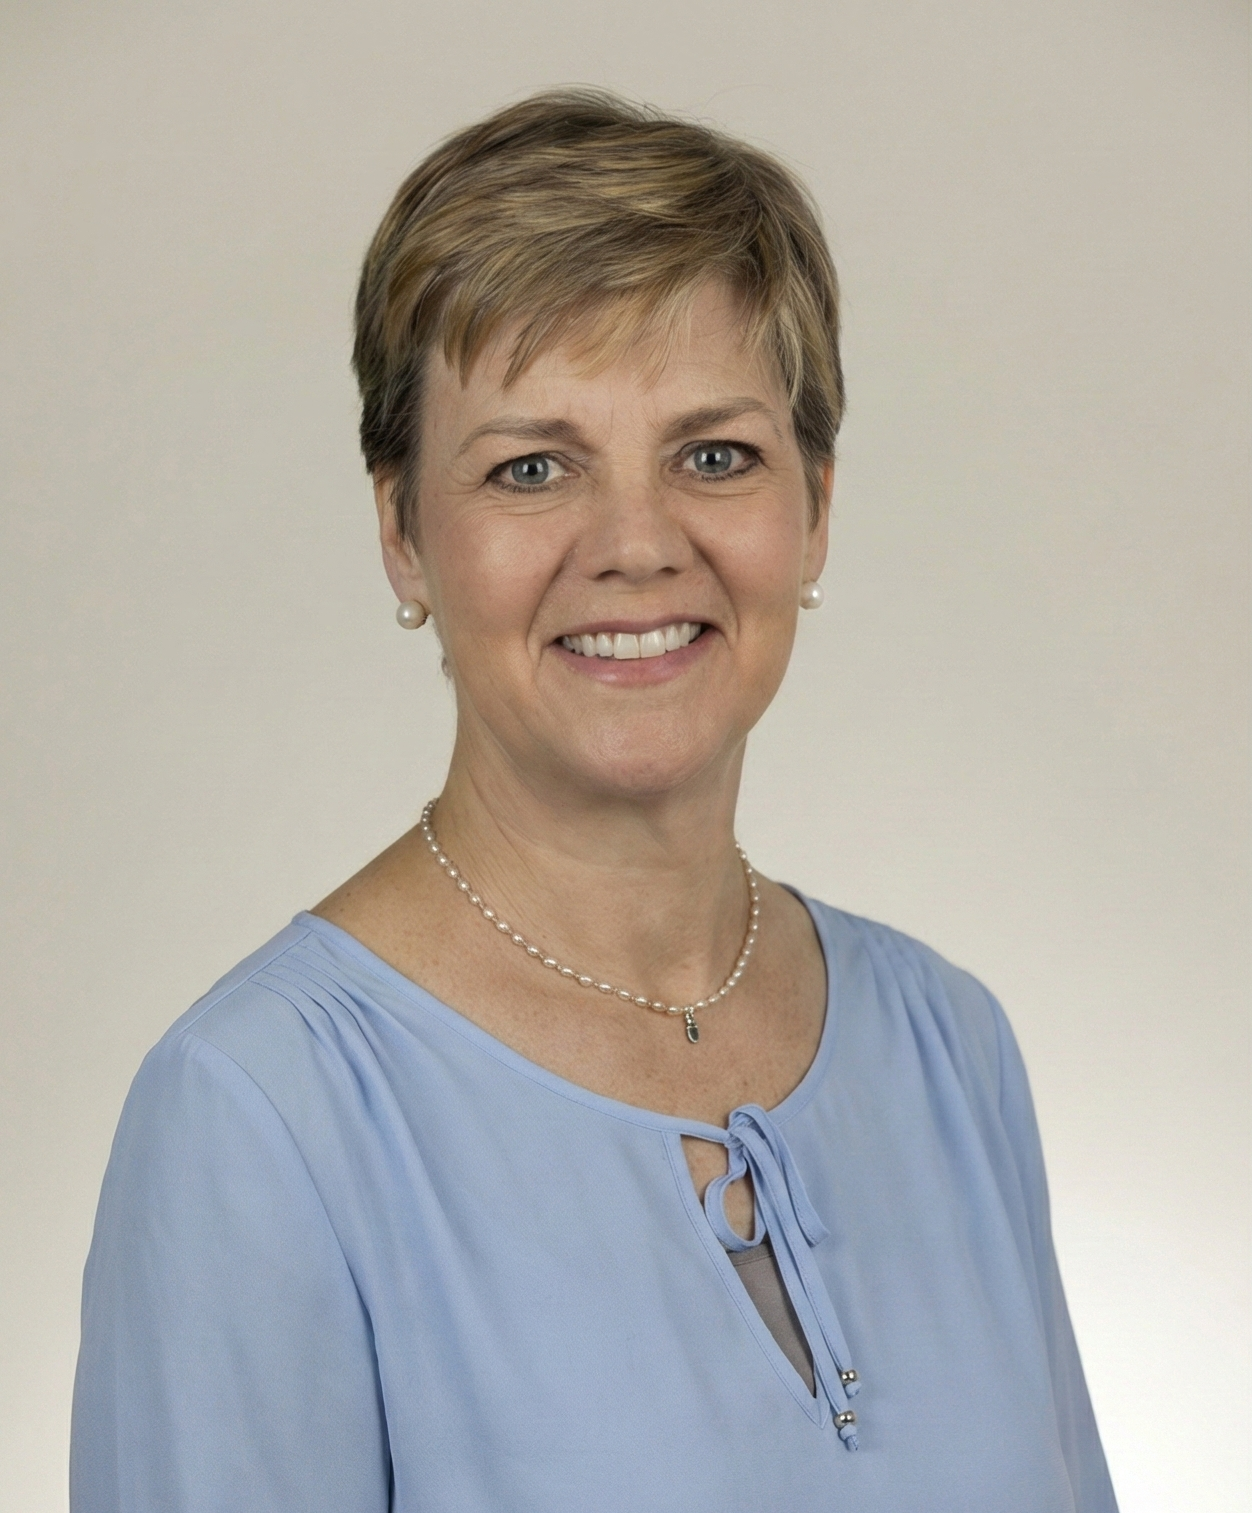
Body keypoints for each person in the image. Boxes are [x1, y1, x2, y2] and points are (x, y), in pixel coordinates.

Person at [70, 89, 1118, 1512]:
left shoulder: (950, 1050)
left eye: (714, 454)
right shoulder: (261, 1120)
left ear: (814, 502)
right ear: (402, 534)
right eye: (531, 467)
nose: (635, 544)